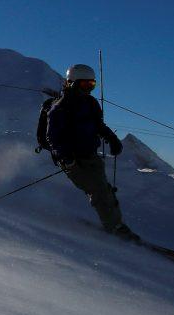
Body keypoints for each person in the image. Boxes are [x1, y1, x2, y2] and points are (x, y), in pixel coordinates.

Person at [46, 63, 136, 240]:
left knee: (105, 190)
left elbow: (98, 125)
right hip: (72, 160)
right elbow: (53, 138)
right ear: (71, 83)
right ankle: (115, 227)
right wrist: (67, 158)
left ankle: (115, 223)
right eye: (84, 85)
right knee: (99, 191)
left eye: (92, 85)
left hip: (91, 156)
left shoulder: (90, 103)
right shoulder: (60, 107)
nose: (88, 89)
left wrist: (112, 139)